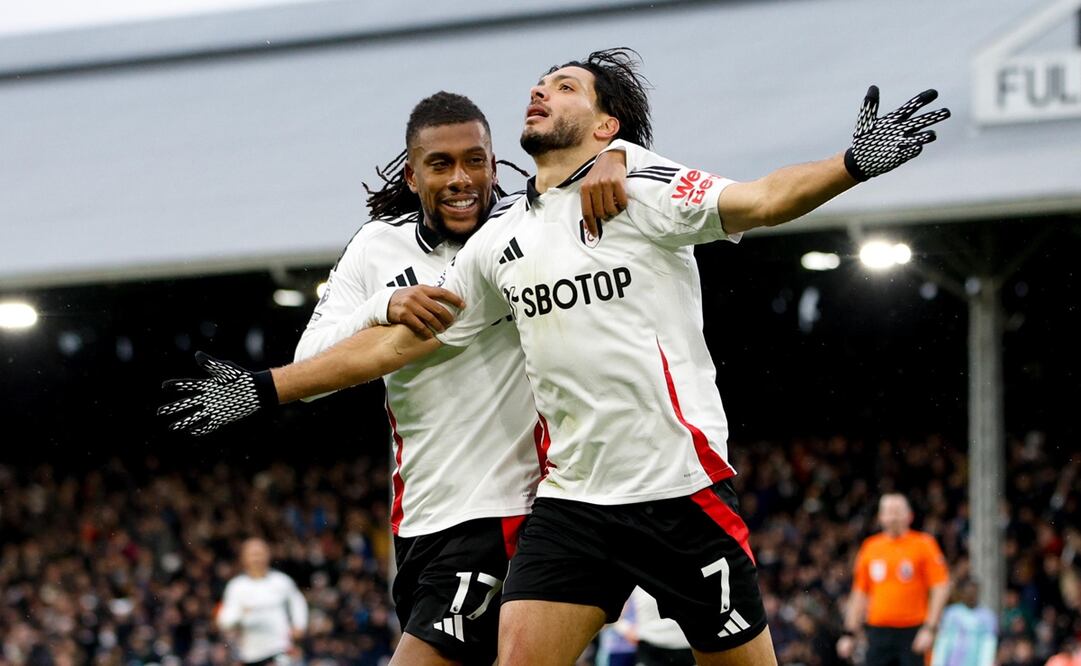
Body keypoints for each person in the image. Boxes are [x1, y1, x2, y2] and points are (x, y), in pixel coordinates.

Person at [162, 48, 950, 665]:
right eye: (539, 84)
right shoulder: (500, 245)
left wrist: (853, 163)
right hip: (570, 506)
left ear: (606, 127)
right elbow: (401, 342)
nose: (542, 92)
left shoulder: (640, 189)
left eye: (566, 86)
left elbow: (763, 198)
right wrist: (265, 388)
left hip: (677, 491)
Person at [287, 90, 625, 666]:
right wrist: (383, 306)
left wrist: (617, 156)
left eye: (475, 160)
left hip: (506, 511)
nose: (461, 178)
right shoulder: (375, 247)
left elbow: (604, 173)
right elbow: (309, 369)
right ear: (412, 175)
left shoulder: (526, 227)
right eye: (440, 164)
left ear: (495, 164)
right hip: (418, 521)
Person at [837, 493, 951, 666]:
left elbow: (940, 587)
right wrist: (849, 632)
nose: (893, 516)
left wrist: (930, 628)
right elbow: (859, 592)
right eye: (888, 511)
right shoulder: (870, 547)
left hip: (913, 631)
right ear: (880, 516)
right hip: (878, 632)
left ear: (909, 515)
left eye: (897, 511)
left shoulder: (924, 545)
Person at [217, 538, 308, 666]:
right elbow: (225, 620)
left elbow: (298, 603)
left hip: (279, 649)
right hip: (249, 654)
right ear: (243, 558)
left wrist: (299, 625)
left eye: (260, 553)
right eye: (252, 554)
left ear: (268, 555)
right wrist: (241, 615)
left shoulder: (281, 581)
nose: (256, 558)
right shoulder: (236, 586)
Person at [930, 578, 997, 666]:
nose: (971, 596)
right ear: (962, 593)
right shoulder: (951, 613)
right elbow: (943, 642)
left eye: (973, 593)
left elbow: (988, 646)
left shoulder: (987, 617)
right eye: (968, 593)